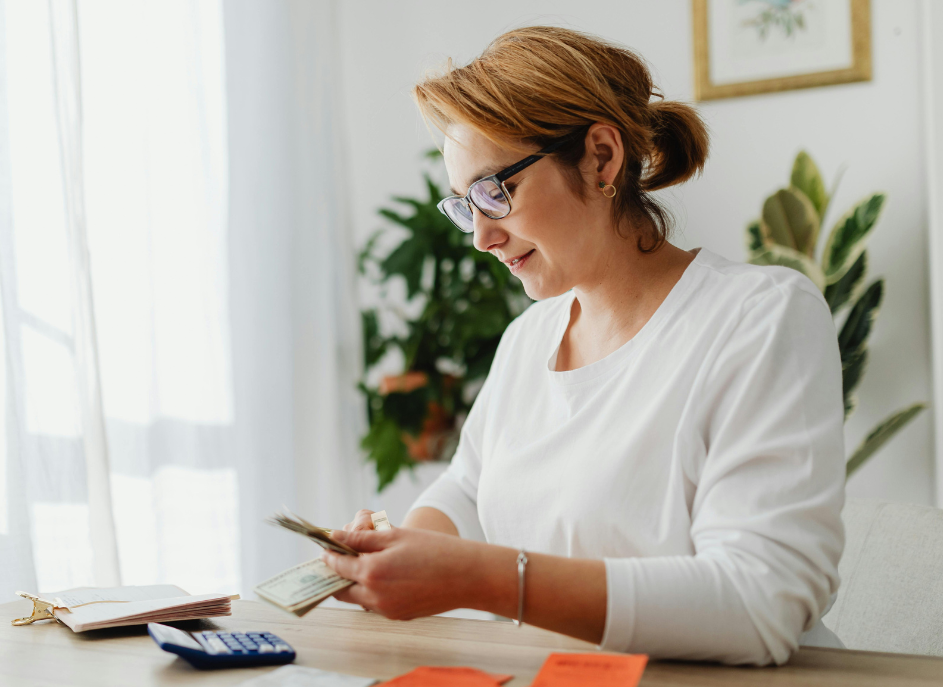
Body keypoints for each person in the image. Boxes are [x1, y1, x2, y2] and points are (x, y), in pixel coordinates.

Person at [322, 26, 845, 666]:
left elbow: (758, 601)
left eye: (496, 191)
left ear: (601, 157)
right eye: (465, 205)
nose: (481, 237)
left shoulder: (759, 317)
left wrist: (479, 577)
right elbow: (469, 490)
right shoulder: (529, 339)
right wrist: (398, 546)